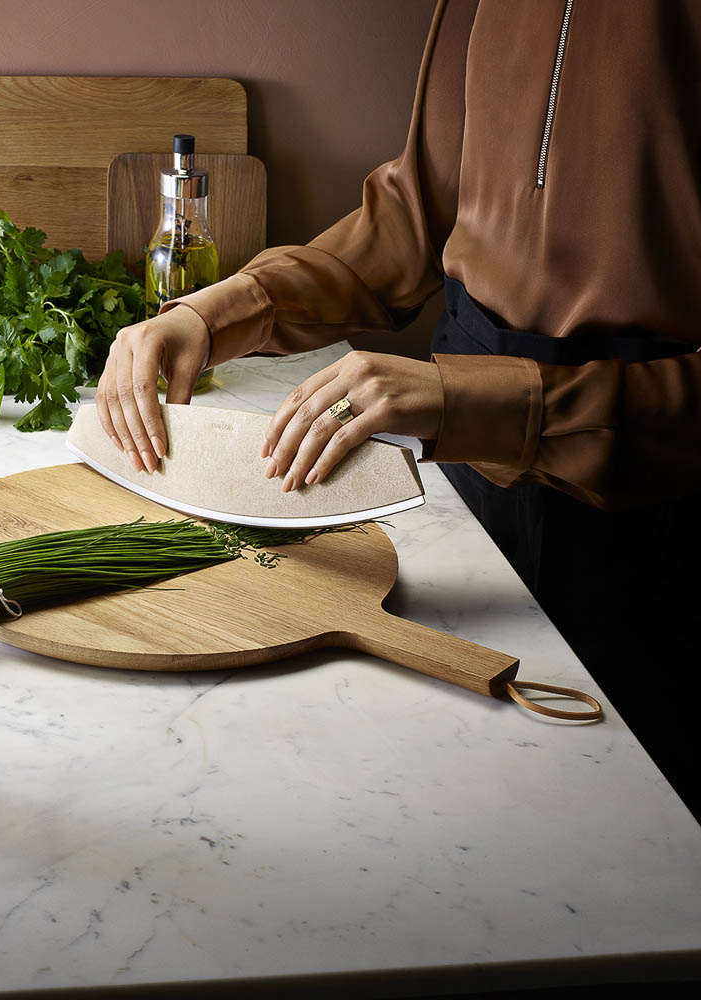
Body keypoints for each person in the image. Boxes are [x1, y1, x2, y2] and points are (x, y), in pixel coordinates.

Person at [95, 1, 701, 818]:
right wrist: (217, 309)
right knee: (470, 813)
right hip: (470, 461)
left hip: (656, 498)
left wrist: (476, 399)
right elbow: (414, 213)